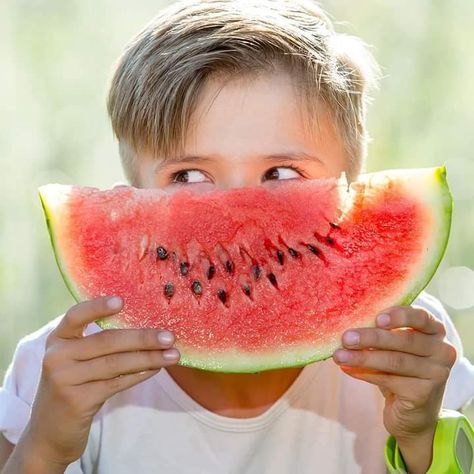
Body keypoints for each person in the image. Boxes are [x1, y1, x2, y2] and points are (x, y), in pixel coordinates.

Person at [1, 1, 473, 473]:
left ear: (350, 190)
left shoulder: (401, 339)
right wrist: (44, 447)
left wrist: (420, 435)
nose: (239, 216)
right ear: (134, 205)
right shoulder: (61, 371)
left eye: (282, 172)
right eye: (188, 176)